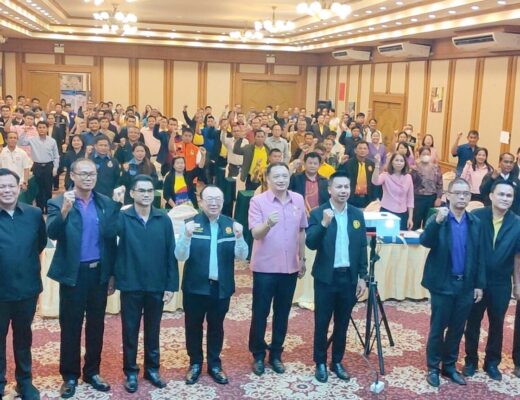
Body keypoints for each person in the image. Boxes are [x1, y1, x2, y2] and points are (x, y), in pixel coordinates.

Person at [46, 158, 121, 398]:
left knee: (96, 325)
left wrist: (111, 274)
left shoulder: (105, 203)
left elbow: (111, 239)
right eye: (83, 174)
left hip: (98, 273)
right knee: (71, 325)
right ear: (73, 176)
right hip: (74, 274)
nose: (88, 178)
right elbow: (52, 233)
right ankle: (69, 376)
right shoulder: (59, 202)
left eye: (92, 174)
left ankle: (92, 371)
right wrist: (65, 211)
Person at [175, 185, 248, 385]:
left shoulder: (231, 225)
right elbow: (180, 255)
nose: (214, 203)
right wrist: (186, 236)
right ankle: (195, 363)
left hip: (220, 287)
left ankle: (215, 364)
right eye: (209, 199)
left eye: (218, 199)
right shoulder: (190, 224)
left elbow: (242, 256)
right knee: (193, 326)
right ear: (200, 202)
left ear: (223, 202)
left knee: (216, 327)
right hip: (195, 287)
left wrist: (240, 237)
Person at [115, 175, 179, 393]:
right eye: (141, 190)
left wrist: (171, 285)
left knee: (153, 330)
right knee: (130, 331)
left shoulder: (163, 218)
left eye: (150, 191)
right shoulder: (123, 217)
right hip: (131, 284)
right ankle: (131, 372)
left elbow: (171, 253)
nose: (146, 194)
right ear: (132, 193)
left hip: (156, 284)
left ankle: (152, 369)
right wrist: (115, 206)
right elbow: (107, 234)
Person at [420, 177, 485, 388]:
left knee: (457, 328)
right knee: (438, 328)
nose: (462, 197)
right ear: (448, 195)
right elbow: (425, 241)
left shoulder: (475, 222)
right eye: (457, 193)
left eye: (466, 193)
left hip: (465, 285)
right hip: (442, 284)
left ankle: (449, 366)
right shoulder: (438, 217)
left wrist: (479, 284)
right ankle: (433, 367)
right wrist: (437, 222)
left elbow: (480, 256)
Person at [306, 171, 367, 383]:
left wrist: (363, 276)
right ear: (330, 189)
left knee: (342, 323)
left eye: (346, 187)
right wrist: (324, 224)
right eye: (339, 187)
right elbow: (311, 243)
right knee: (322, 322)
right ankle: (320, 362)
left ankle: (337, 361)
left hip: (348, 278)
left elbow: (362, 247)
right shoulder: (318, 213)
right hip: (326, 278)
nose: (343, 191)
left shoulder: (357, 214)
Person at [248, 162, 307, 376]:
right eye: (277, 176)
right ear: (268, 178)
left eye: (285, 176)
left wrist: (302, 258)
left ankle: (276, 354)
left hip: (289, 266)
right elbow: (255, 234)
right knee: (260, 312)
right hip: (265, 267)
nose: (281, 180)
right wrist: (268, 224)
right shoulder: (258, 201)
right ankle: (258, 354)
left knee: (282, 312)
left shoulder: (297, 199)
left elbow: (301, 231)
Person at [463, 181, 520, 380]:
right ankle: (471, 360)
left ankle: (492, 363)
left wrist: (517, 284)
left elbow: (518, 256)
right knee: (472, 322)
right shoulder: (476, 216)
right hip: (477, 281)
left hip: (501, 283)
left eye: (509, 195)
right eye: (501, 194)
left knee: (497, 324)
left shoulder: (517, 223)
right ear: (491, 196)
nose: (505, 198)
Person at [0, 169, 46, 400]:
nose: (6, 190)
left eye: (11, 186)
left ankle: (24, 382)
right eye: (1, 186)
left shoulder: (34, 214)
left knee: (23, 338)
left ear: (19, 188)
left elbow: (40, 244)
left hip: (26, 289)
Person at [18, 120, 60, 214]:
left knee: (48, 189)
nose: (41, 129)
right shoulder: (32, 140)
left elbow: (56, 156)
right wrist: (24, 132)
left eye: (44, 127)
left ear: (47, 129)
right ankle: (39, 209)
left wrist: (55, 168)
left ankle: (48, 208)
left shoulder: (52, 141)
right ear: (37, 129)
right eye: (40, 127)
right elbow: (21, 142)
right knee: (38, 189)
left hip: (49, 166)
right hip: (37, 166)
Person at [372, 152, 414, 230]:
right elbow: (375, 181)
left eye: (401, 161)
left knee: (400, 236)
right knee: (385, 235)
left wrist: (410, 218)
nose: (399, 163)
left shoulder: (408, 177)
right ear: (392, 162)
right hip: (387, 211)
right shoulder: (385, 175)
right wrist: (377, 165)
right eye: (396, 160)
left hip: (403, 213)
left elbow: (410, 199)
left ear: (405, 163)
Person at [411, 147, 443, 229]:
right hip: (417, 197)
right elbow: (411, 183)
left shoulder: (436, 168)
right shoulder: (415, 168)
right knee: (415, 221)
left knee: (429, 222)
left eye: (428, 154)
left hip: (431, 198)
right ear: (419, 155)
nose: (426, 156)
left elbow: (440, 184)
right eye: (423, 154)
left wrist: (439, 198)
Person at [338, 141, 376, 209]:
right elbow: (339, 177)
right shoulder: (348, 163)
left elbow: (374, 182)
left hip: (367, 199)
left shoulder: (371, 164)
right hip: (351, 198)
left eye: (365, 148)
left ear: (368, 151)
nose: (362, 150)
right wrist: (341, 164)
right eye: (360, 148)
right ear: (355, 150)